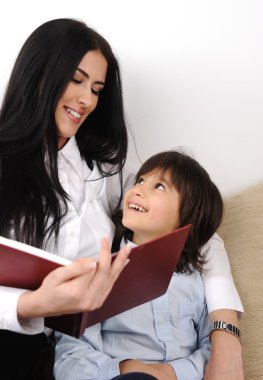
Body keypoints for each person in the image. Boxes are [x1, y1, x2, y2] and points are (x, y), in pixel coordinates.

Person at [0, 17, 243, 380]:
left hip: (72, 346)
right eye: (77, 80)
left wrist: (226, 334)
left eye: (97, 88)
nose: (87, 100)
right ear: (39, 74)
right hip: (18, 338)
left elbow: (192, 224)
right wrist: (33, 304)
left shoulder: (107, 167)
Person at [54, 150, 243, 380]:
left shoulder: (197, 279)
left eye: (159, 186)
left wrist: (171, 373)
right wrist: (126, 369)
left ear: (192, 213)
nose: (136, 189)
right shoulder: (100, 272)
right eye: (141, 180)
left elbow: (212, 348)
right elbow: (71, 356)